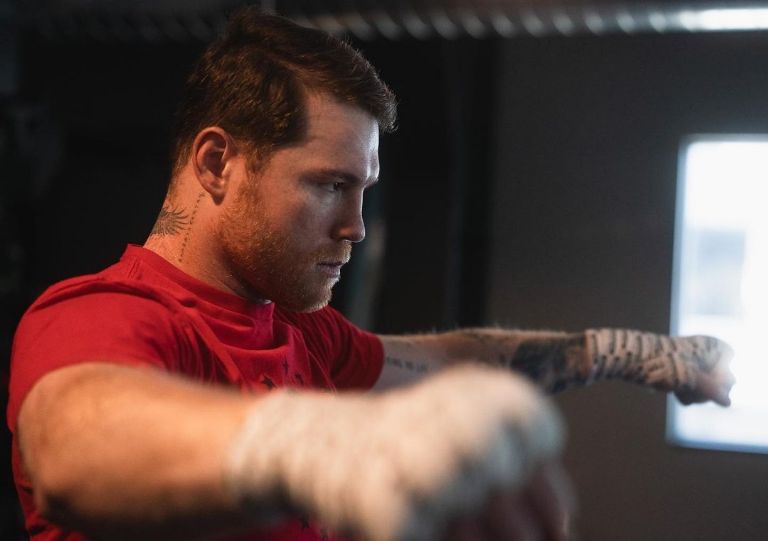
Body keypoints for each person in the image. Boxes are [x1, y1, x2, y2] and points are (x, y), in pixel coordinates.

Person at [7, 7, 734, 541]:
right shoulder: (103, 313)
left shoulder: (305, 333)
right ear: (217, 163)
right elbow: (73, 446)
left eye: (363, 190)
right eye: (330, 185)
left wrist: (624, 352)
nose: (355, 225)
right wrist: (320, 443)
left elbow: (447, 362)